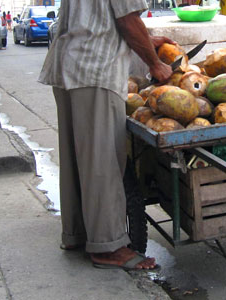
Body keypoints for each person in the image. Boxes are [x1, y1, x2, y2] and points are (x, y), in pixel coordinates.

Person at [39, 1, 173, 270]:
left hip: (70, 64)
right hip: (95, 70)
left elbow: (102, 17)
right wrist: (155, 63)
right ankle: (108, 247)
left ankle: (78, 233)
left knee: (77, 159)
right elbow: (127, 20)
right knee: (103, 161)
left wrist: (147, 39)